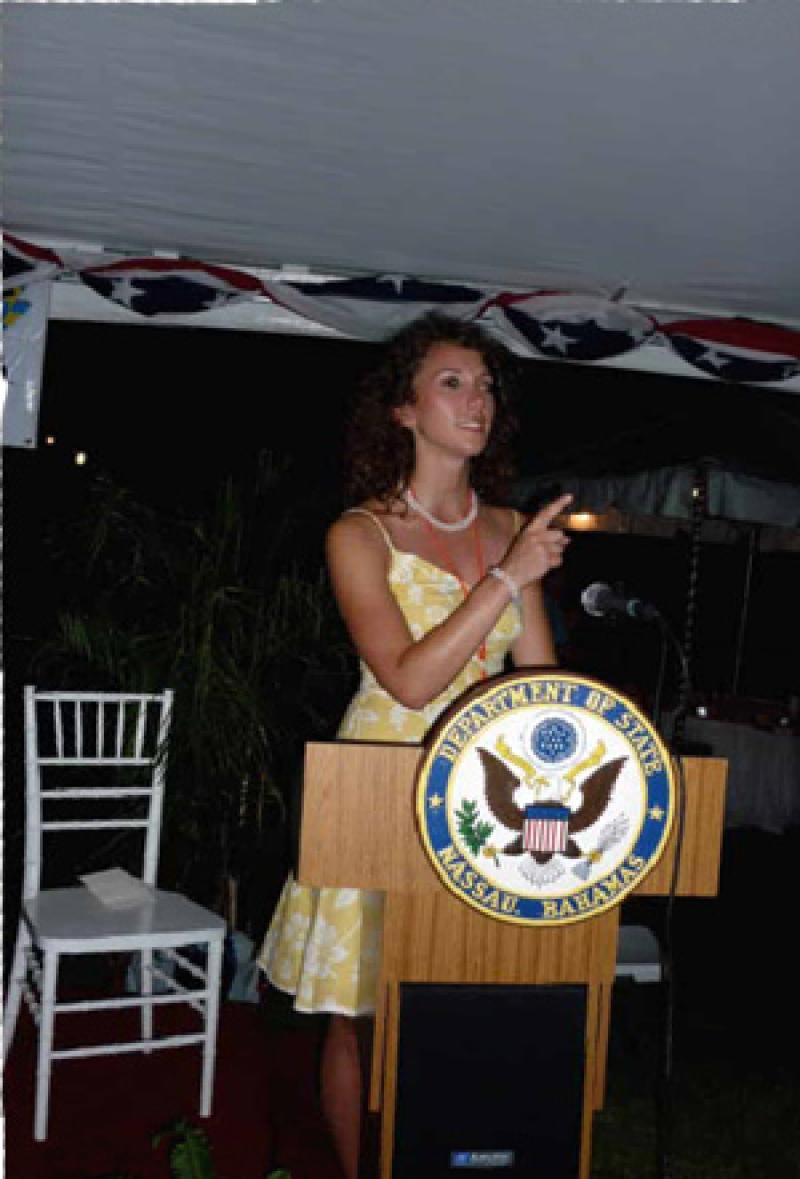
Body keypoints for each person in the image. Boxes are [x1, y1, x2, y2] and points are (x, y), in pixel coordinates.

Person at [258, 312, 571, 1178]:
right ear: (402, 408)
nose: (479, 400)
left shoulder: (511, 524)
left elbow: (538, 679)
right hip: (384, 780)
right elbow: (405, 677)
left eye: (487, 385)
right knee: (358, 1011)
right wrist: (506, 577)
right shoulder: (359, 534)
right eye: (453, 382)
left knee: (461, 1000)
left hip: (490, 794)